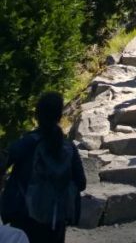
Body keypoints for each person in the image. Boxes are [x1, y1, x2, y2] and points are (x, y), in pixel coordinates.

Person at [0, 92, 86, 243]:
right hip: (56, 218)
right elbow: (81, 183)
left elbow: (3, 163)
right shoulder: (68, 147)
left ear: (37, 115)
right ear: (59, 116)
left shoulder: (27, 143)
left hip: (24, 216)